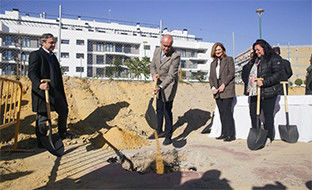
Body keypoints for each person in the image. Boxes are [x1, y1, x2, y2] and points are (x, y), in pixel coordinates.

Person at [28, 33, 74, 148]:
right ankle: (42, 141)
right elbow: (32, 72)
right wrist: (39, 84)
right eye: (51, 43)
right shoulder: (36, 55)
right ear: (42, 43)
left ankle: (62, 132)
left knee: (63, 110)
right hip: (43, 92)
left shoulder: (52, 56)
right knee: (43, 116)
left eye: (54, 42)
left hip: (55, 91)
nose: (54, 45)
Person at [247, 39, 283, 145]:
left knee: (268, 116)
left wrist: (264, 82)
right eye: (255, 50)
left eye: (258, 50)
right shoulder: (256, 60)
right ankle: (257, 135)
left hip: (268, 92)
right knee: (253, 114)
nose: (257, 52)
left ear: (264, 47)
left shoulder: (274, 58)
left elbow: (278, 74)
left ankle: (268, 136)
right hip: (254, 92)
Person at [150, 34, 180, 145]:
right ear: (161, 43)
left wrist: (160, 87)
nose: (166, 48)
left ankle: (168, 136)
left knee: (167, 111)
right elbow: (152, 66)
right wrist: (154, 75)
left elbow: (171, 75)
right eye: (165, 45)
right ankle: (158, 131)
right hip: (158, 83)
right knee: (159, 110)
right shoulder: (157, 51)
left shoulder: (175, 55)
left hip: (168, 86)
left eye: (169, 46)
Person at [209, 42, 236, 142]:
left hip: (227, 90)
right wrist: (213, 88)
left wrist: (223, 84)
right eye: (216, 50)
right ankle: (224, 133)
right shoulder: (213, 64)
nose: (217, 52)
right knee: (221, 113)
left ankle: (231, 134)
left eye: (219, 49)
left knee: (227, 113)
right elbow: (211, 77)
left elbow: (231, 73)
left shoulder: (229, 60)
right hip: (217, 92)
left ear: (223, 50)